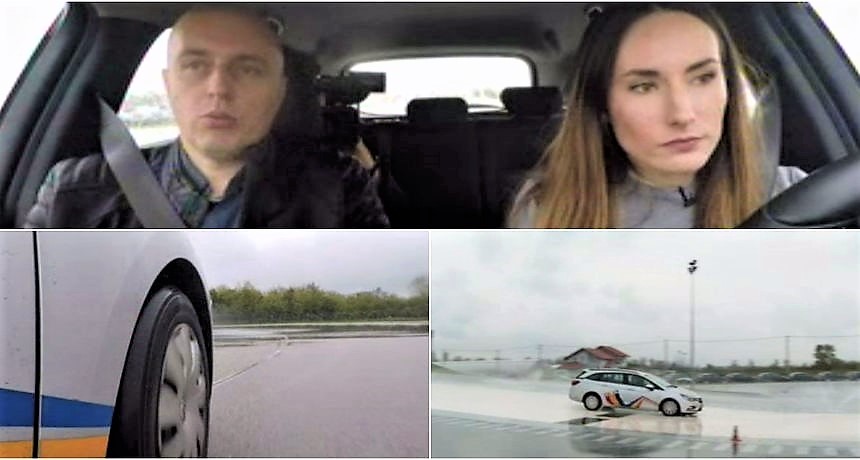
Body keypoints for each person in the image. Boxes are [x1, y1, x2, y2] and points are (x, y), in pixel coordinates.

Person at [25, 7, 389, 228]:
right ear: (169, 84)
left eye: (248, 69)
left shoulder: (339, 186)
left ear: (279, 92)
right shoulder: (72, 192)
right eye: (195, 65)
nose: (218, 89)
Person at [508, 3, 806, 229]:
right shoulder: (548, 207)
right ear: (602, 107)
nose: (682, 114)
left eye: (703, 78)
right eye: (644, 87)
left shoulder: (792, 193)